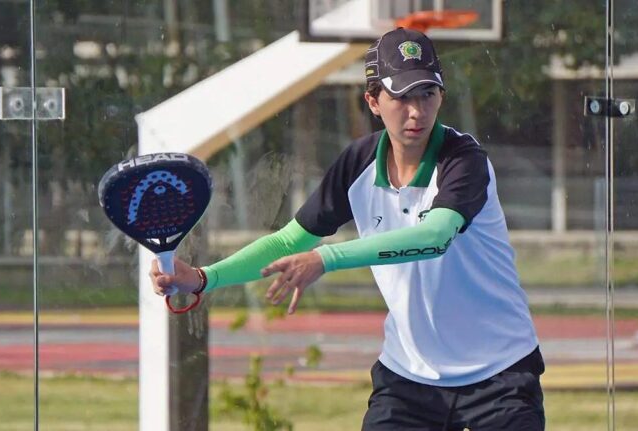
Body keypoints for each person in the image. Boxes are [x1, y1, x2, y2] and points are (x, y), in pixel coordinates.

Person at [150, 27, 545, 430]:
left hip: (499, 375)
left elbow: (434, 237)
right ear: (373, 101)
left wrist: (327, 257)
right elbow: (290, 241)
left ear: (441, 96)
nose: (416, 111)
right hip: (408, 380)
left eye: (427, 94)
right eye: (402, 96)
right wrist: (202, 278)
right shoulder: (357, 163)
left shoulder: (464, 159)